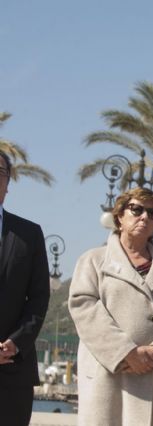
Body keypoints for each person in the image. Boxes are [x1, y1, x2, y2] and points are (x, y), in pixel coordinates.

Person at [68, 187, 153, 426]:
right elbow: (84, 307)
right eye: (136, 209)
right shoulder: (93, 261)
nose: (145, 217)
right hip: (109, 378)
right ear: (119, 216)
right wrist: (126, 352)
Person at [0, 151, 50, 426]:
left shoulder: (29, 235)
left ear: (8, 183)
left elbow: (40, 297)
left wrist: (15, 343)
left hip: (13, 372)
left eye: (0, 171)